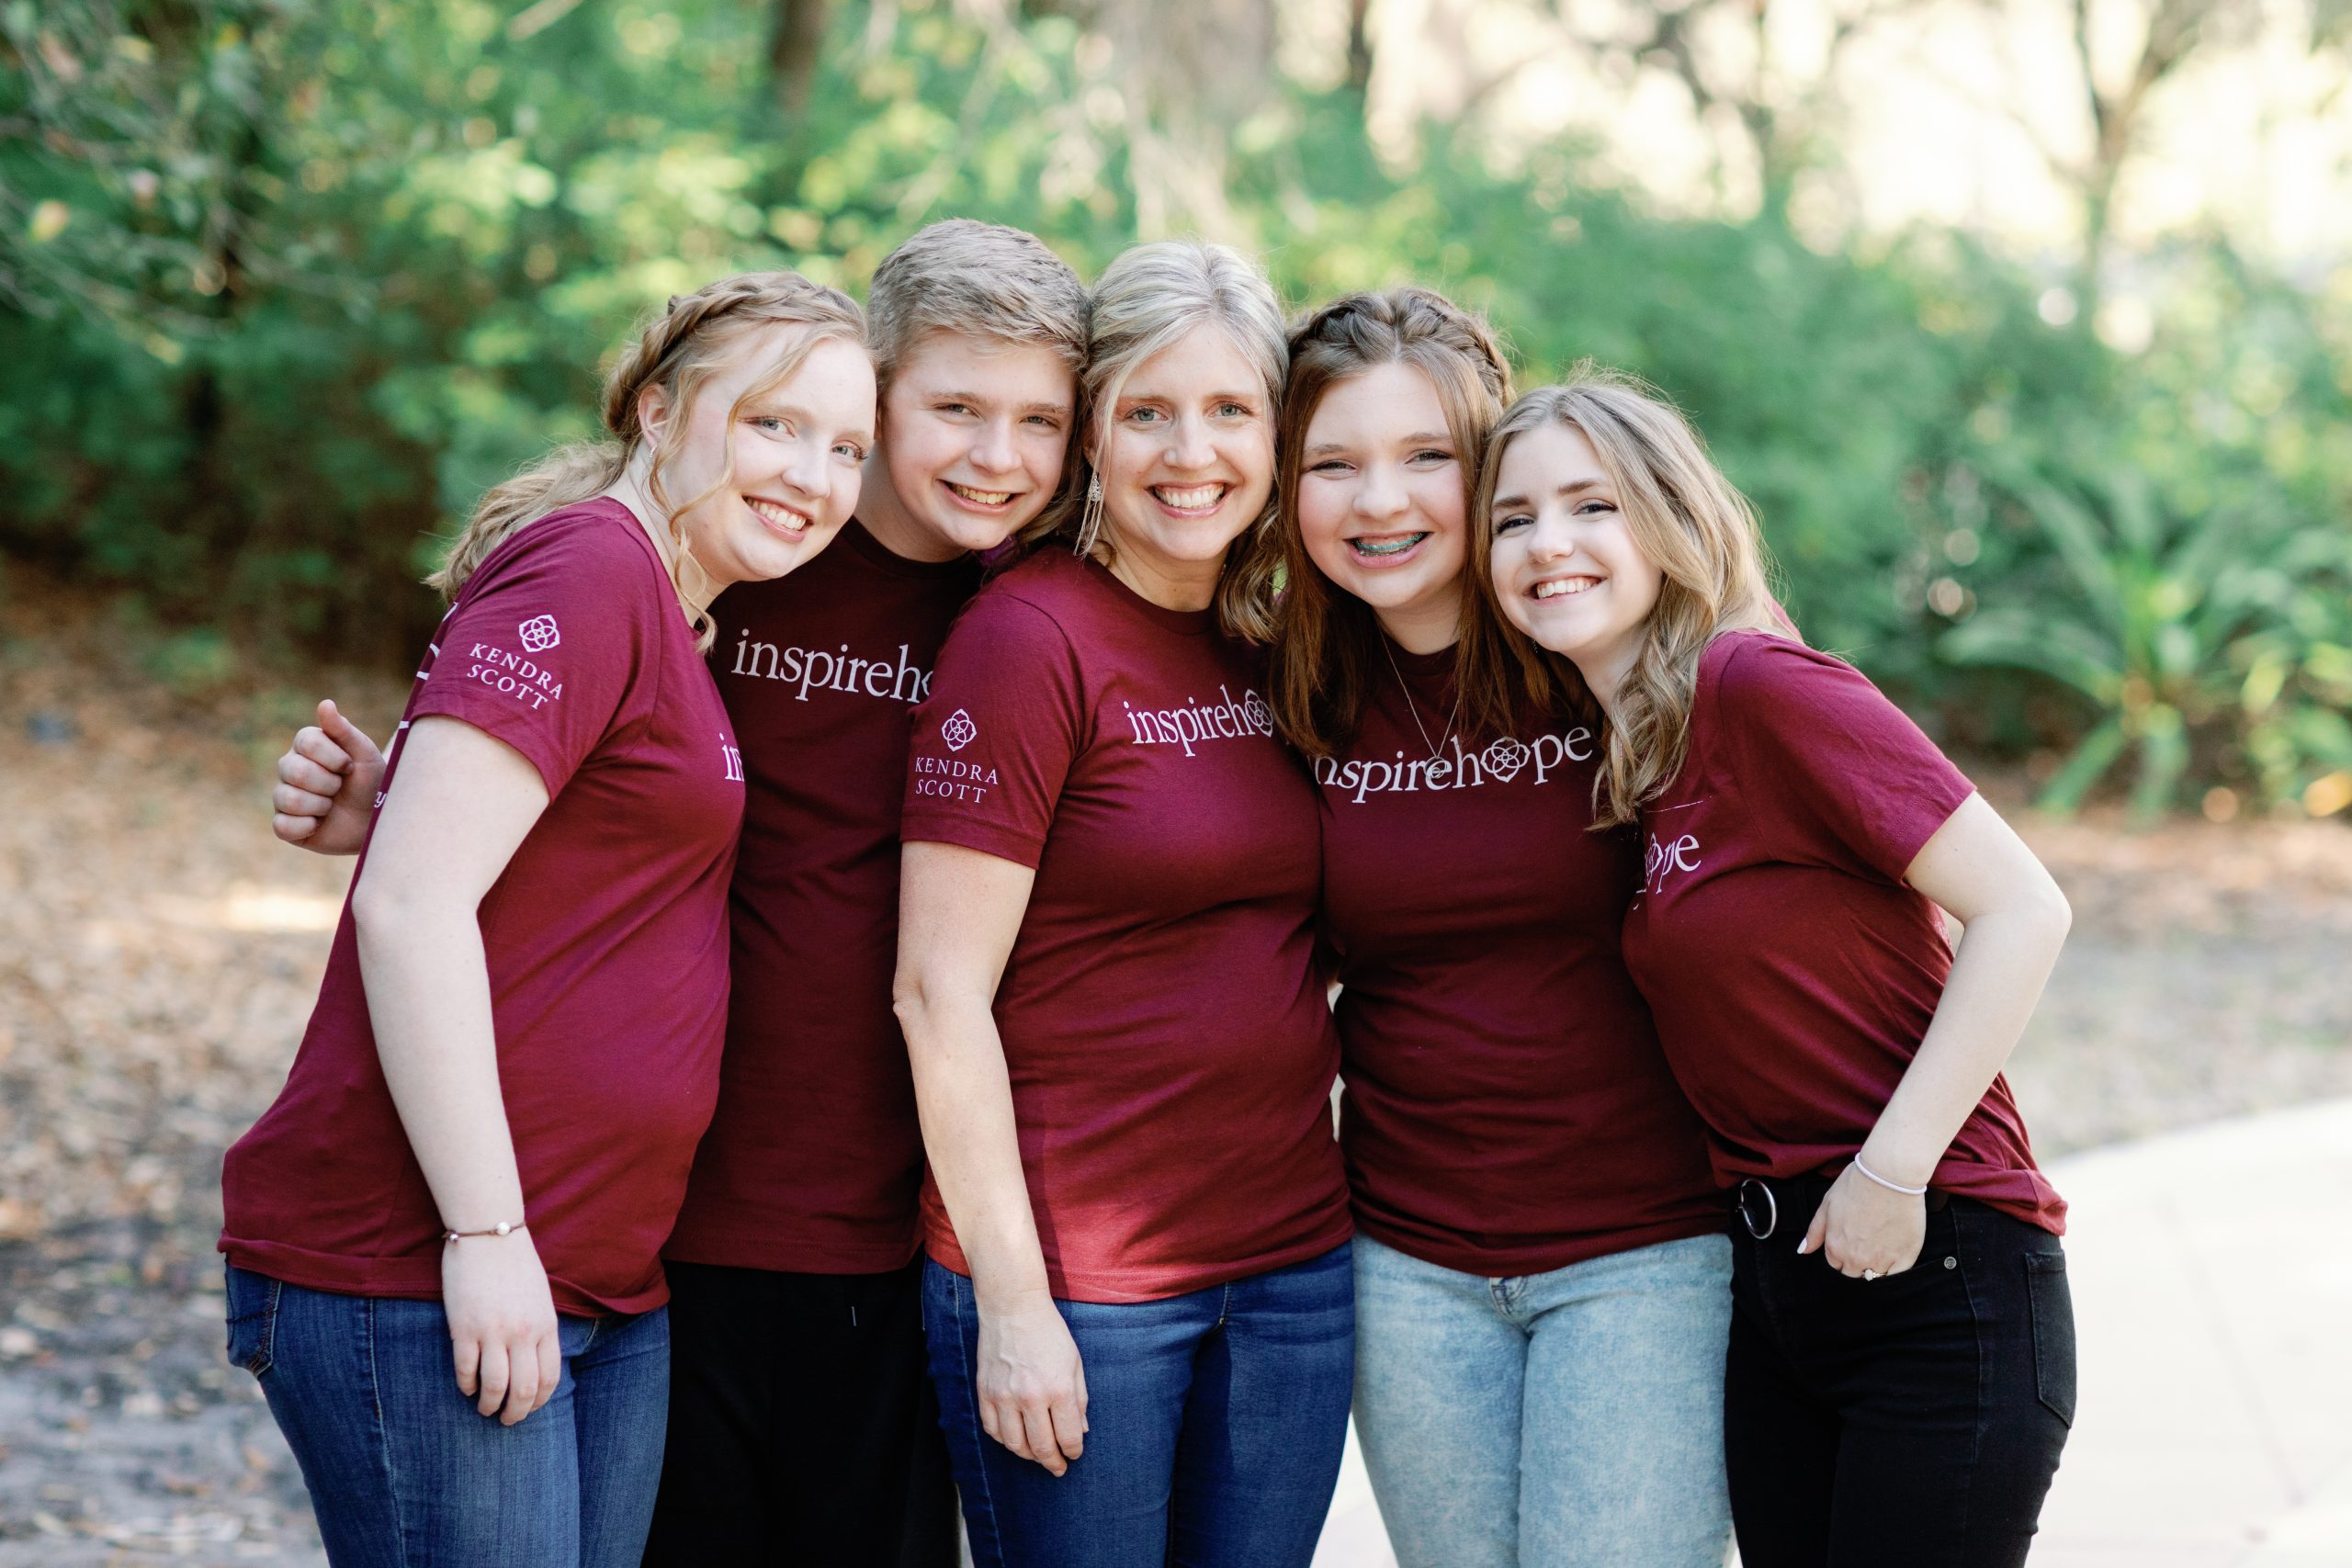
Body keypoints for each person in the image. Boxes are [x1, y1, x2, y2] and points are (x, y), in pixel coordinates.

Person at [266, 220, 1090, 1567]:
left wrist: (400, 818)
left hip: (833, 1235)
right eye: (949, 409)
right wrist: (401, 823)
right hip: (600, 1232)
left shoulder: (1019, 616)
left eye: (1035, 422)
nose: (993, 456)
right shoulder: (676, 562)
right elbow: (448, 875)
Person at [220, 270, 875, 1568]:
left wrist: (389, 804)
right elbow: (413, 905)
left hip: (600, 1276)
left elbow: (550, 852)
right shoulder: (593, 569)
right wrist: (486, 1235)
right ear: (658, 408)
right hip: (422, 1265)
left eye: (849, 447)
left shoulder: (672, 613)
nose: (813, 473)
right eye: (774, 424)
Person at [1477, 367, 2076, 1568]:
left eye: (1592, 505)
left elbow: (2025, 906)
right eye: (1513, 518)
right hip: (1778, 1287)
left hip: (1936, 1265)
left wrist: (1892, 1173)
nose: (1550, 543)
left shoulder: (1760, 688)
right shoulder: (1639, 757)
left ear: (1668, 518)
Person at [890, 240, 1352, 1568]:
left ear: (1275, 433)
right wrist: (1015, 1304)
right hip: (1081, 1289)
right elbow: (937, 991)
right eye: (1146, 411)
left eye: (1227, 411)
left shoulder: (1283, 643)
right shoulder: (1028, 638)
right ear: (1093, 436)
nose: (1187, 450)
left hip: (1292, 1277)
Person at [1267, 290, 1733, 1568]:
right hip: (1405, 1266)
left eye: (1428, 458)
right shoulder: (1287, 690)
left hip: (1647, 1250)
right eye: (1333, 465)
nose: (1381, 503)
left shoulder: (1612, 650)